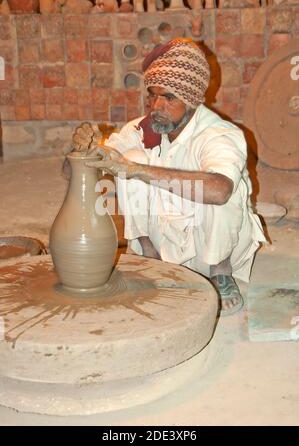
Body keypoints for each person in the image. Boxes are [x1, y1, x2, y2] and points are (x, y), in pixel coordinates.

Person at [76, 38, 265, 316]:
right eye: (152, 94)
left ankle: (221, 276)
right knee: (131, 159)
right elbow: (75, 173)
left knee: (220, 186)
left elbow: (220, 191)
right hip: (165, 249)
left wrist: (137, 171)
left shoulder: (220, 135)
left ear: (191, 99)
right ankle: (152, 262)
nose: (156, 106)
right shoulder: (142, 129)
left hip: (210, 249)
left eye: (169, 97)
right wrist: (81, 148)